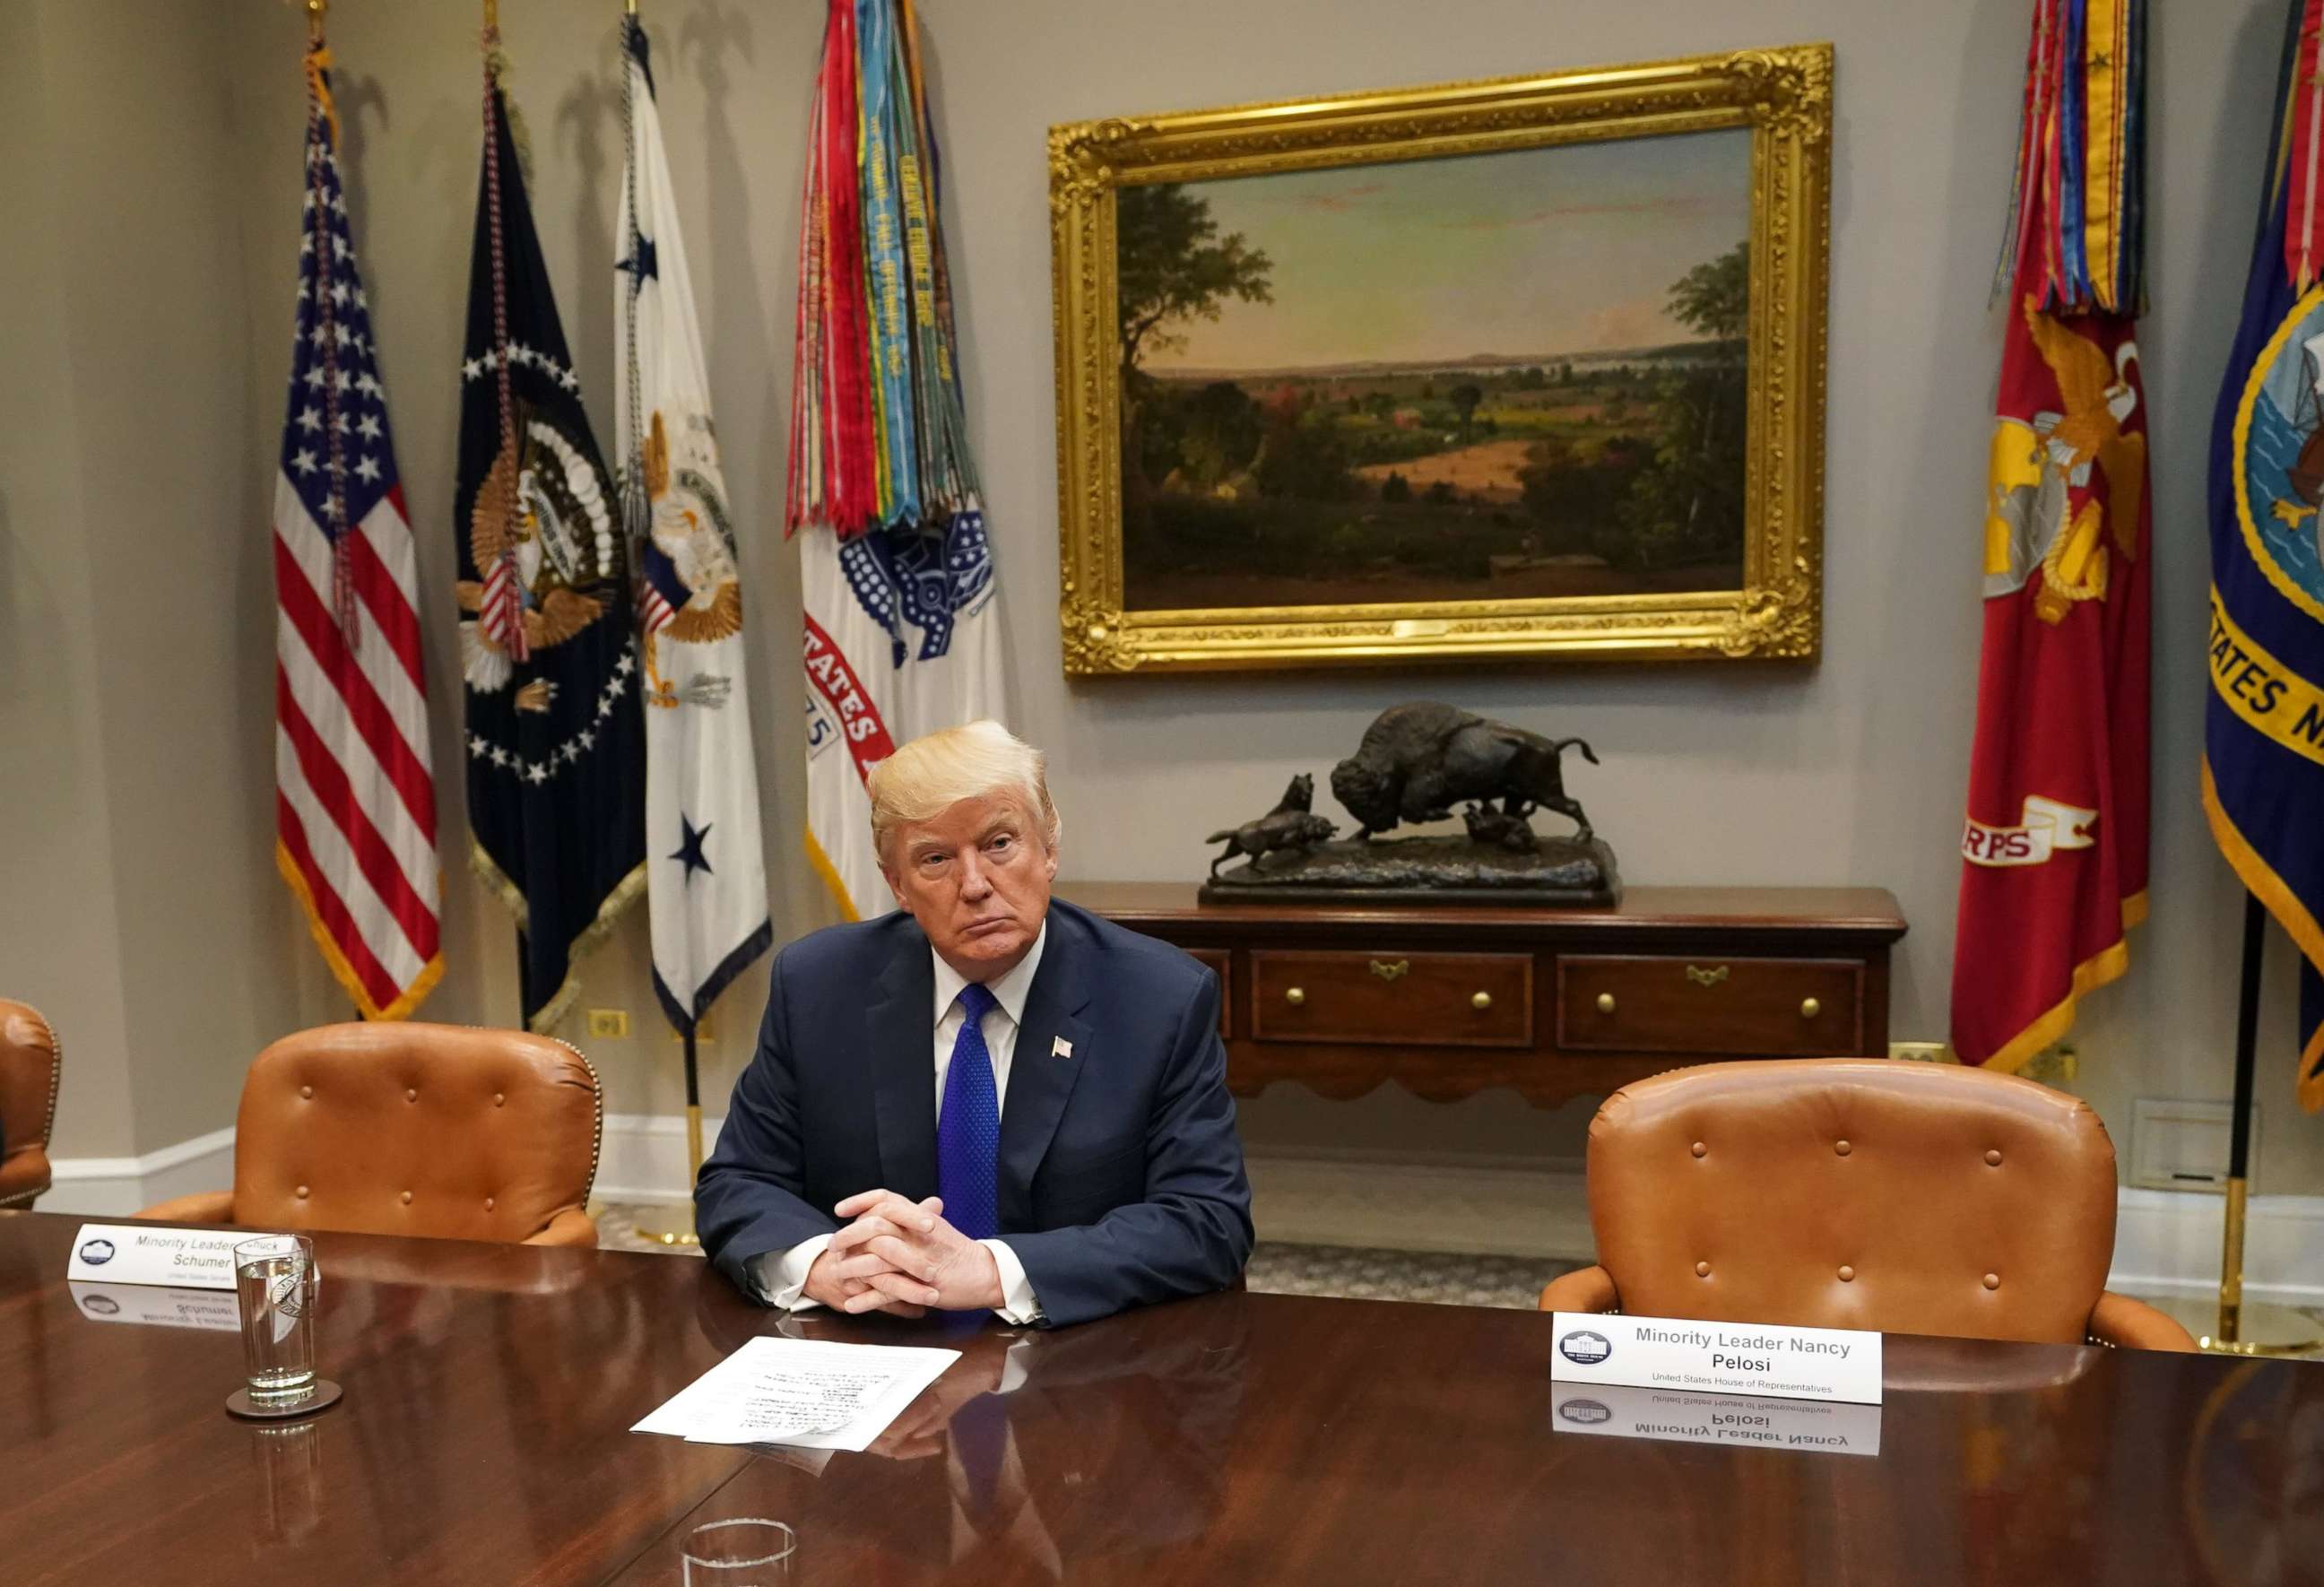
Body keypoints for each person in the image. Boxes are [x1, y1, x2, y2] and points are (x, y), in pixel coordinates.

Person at [697, 720, 1253, 1328]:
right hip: (876, 1342)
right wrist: (822, 1265)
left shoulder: (1158, 997)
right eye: (935, 859)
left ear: (1049, 849)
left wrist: (992, 1271)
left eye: (999, 844)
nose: (976, 885)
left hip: (1081, 1356)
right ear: (898, 885)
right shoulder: (818, 985)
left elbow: (1208, 1220)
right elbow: (740, 1179)